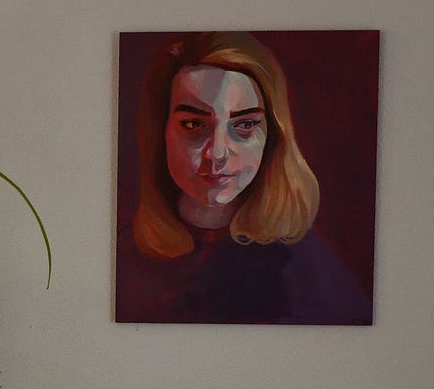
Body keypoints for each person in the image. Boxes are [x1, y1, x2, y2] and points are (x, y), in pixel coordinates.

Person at [117, 30, 371, 325]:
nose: (218, 152)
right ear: (159, 132)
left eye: (246, 124)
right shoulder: (123, 260)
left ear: (272, 137)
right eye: (192, 124)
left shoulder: (306, 264)